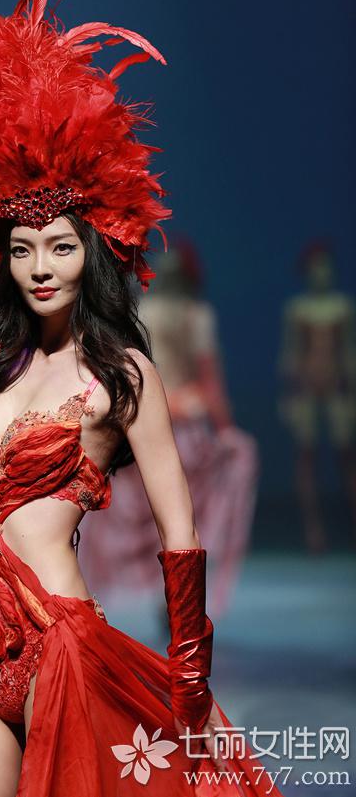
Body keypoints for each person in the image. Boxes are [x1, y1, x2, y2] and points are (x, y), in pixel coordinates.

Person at [0, 0, 284, 797]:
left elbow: (180, 531)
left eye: (59, 247)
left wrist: (190, 670)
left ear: (90, 252)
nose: (40, 267)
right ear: (4, 260)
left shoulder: (121, 374)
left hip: (60, 644)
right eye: (22, 250)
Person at [79, 236, 260, 622]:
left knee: (144, 516)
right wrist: (225, 429)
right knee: (184, 515)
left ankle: (133, 595)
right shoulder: (197, 316)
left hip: (145, 425)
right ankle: (176, 599)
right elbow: (210, 381)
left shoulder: (143, 312)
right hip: (187, 428)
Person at [277, 239, 356, 553]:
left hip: (336, 388)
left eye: (324, 266)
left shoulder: (342, 307)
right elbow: (292, 352)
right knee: (307, 456)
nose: (321, 272)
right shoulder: (298, 309)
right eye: (315, 266)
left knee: (345, 454)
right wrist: (289, 395)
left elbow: (348, 351)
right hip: (307, 389)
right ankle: (313, 530)